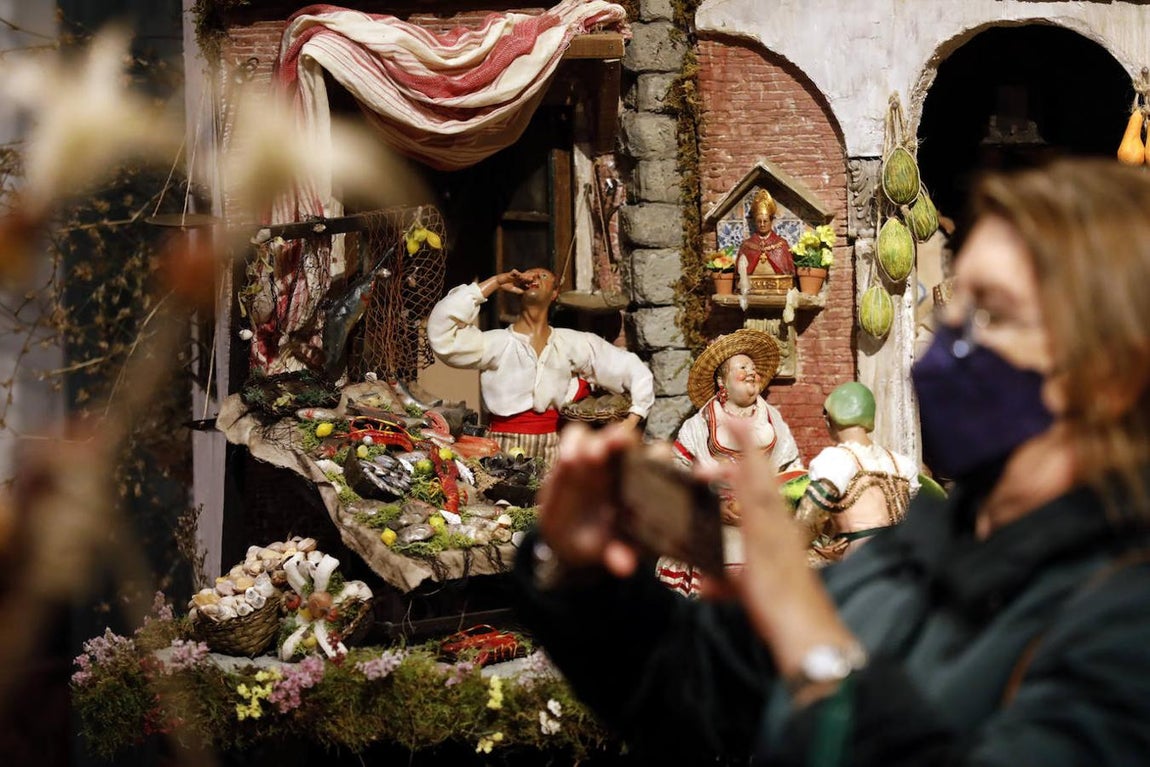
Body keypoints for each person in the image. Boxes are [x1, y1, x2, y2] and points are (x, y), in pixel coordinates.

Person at [512, 158, 1150, 765]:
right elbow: (696, 694)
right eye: (955, 304)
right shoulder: (919, 555)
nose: (950, 337)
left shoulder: (1125, 619)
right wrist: (576, 567)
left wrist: (813, 644)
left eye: (994, 313)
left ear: (1110, 373)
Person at [426, 267, 654, 465]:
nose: (534, 278)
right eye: (529, 276)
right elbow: (443, 330)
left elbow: (633, 370)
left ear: (555, 293)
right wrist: (497, 281)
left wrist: (632, 419)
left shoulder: (572, 343)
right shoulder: (497, 343)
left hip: (557, 448)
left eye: (543, 275)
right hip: (502, 448)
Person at [657, 328, 801, 595]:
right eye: (741, 367)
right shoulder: (698, 426)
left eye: (753, 367)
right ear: (722, 382)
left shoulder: (773, 421)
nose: (750, 372)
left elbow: (793, 471)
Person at [795, 382, 920, 566]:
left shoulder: (837, 460)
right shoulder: (901, 464)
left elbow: (805, 526)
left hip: (862, 564)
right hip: (902, 560)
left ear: (831, 417)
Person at [736, 189, 794, 296]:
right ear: (754, 222)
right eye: (759, 221)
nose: (762, 224)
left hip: (778, 290)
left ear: (771, 221)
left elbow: (788, 273)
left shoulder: (781, 244)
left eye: (765, 221)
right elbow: (739, 275)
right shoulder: (746, 246)